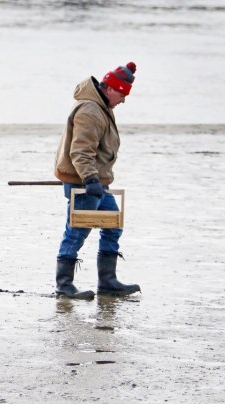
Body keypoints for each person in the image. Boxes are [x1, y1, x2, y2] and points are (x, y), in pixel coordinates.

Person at [52, 62, 142, 299]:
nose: (123, 100)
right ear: (110, 88)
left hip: (96, 181)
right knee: (78, 230)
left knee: (113, 224)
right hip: (86, 182)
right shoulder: (90, 110)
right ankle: (64, 285)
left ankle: (108, 282)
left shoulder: (102, 106)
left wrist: (96, 179)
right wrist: (90, 179)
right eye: (122, 94)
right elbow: (81, 151)